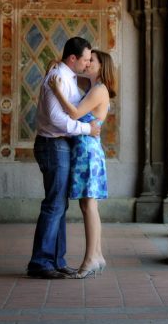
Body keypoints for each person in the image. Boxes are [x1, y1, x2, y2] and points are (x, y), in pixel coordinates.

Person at [27, 37, 100, 279]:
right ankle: (41, 263)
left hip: (60, 145)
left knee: (60, 204)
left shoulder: (67, 77)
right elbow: (58, 120)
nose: (88, 63)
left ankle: (56, 260)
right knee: (54, 204)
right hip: (52, 145)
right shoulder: (55, 77)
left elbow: (73, 109)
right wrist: (87, 130)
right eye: (86, 59)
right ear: (73, 59)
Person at [49, 49, 116, 279]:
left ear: (101, 66)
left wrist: (57, 91)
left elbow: (76, 113)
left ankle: (90, 259)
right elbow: (72, 75)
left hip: (87, 151)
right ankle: (96, 255)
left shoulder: (98, 90)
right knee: (89, 206)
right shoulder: (94, 89)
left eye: (92, 61)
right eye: (86, 60)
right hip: (87, 150)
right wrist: (56, 64)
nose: (87, 64)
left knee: (88, 206)